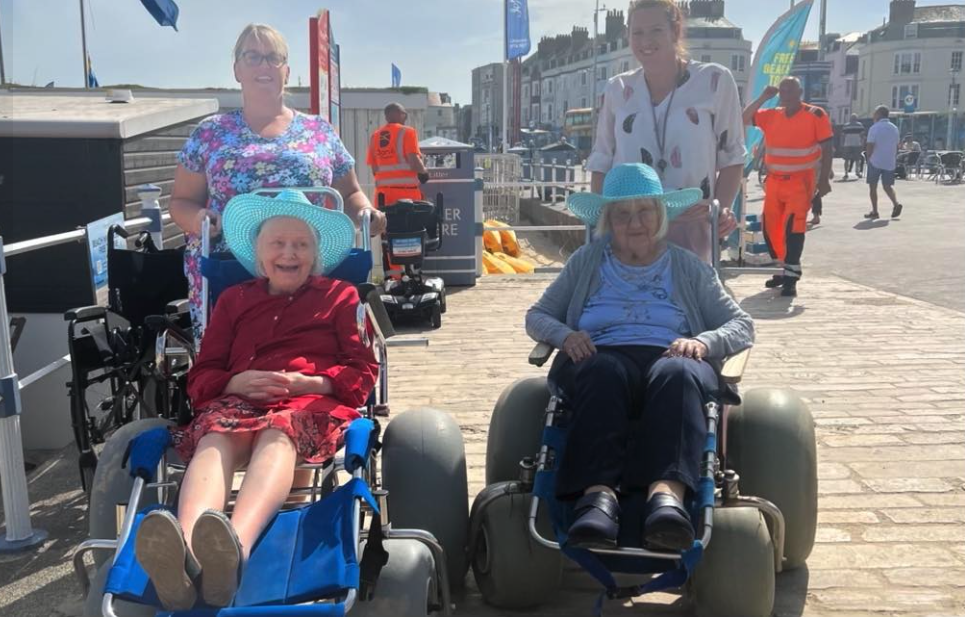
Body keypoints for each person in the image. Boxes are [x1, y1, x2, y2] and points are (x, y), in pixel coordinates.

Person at [134, 190, 379, 611]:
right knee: (214, 434)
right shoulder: (234, 300)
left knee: (279, 432)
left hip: (306, 406)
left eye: (301, 244)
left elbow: (361, 375)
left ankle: (234, 551)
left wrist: (311, 382)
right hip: (238, 402)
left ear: (315, 253)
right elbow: (202, 377)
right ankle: (189, 558)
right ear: (259, 253)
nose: (289, 253)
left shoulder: (340, 297)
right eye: (278, 244)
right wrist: (235, 382)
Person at [526, 163, 754, 551]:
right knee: (602, 372)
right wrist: (565, 337)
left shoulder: (687, 266)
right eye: (623, 213)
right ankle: (597, 498)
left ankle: (665, 500)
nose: (635, 222)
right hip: (602, 354)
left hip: (672, 354)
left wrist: (704, 342)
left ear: (660, 215)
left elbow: (741, 325)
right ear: (607, 220)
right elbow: (537, 316)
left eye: (645, 210)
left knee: (679, 374)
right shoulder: (586, 261)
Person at [169, 23, 385, 337]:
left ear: (286, 70)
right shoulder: (209, 132)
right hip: (229, 270)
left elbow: (350, 192)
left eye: (273, 58)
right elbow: (181, 202)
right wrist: (198, 218)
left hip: (309, 268)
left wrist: (367, 214)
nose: (264, 65)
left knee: (314, 352)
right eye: (252, 56)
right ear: (236, 69)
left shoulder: (319, 130)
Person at [586, 0, 742, 264]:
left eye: (656, 30)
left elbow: (732, 156)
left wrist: (721, 211)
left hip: (692, 229)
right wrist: (601, 224)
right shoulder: (617, 89)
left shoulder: (715, 81)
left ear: (675, 30)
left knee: (687, 301)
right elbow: (602, 160)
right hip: (630, 230)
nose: (646, 40)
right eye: (637, 33)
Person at [742, 77, 833, 297]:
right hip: (774, 181)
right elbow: (744, 118)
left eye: (790, 90)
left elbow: (828, 146)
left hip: (801, 183)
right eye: (782, 90)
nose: (786, 94)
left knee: (794, 227)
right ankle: (783, 270)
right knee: (772, 228)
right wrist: (764, 96)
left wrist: (823, 180)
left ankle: (791, 278)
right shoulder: (772, 115)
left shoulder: (815, 114)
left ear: (800, 92)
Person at [366, 102, 430, 209]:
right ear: (399, 114)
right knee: (409, 225)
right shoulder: (408, 132)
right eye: (405, 114)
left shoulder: (375, 136)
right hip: (406, 195)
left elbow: (374, 169)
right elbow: (414, 162)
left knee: (384, 225)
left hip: (382, 196)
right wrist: (424, 172)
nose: (405, 117)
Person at [865, 105, 903, 220]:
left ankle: (875, 211)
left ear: (879, 114)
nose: (873, 115)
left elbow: (870, 145)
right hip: (889, 161)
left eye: (875, 113)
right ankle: (896, 204)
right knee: (887, 186)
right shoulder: (894, 128)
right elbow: (897, 146)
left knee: (873, 187)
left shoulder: (874, 128)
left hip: (875, 160)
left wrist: (868, 158)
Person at [840, 113, 865, 180]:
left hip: (847, 144)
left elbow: (843, 135)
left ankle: (846, 173)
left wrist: (842, 144)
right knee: (857, 159)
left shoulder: (846, 125)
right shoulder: (860, 125)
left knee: (846, 159)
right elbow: (862, 135)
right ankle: (857, 172)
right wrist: (862, 143)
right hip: (857, 144)